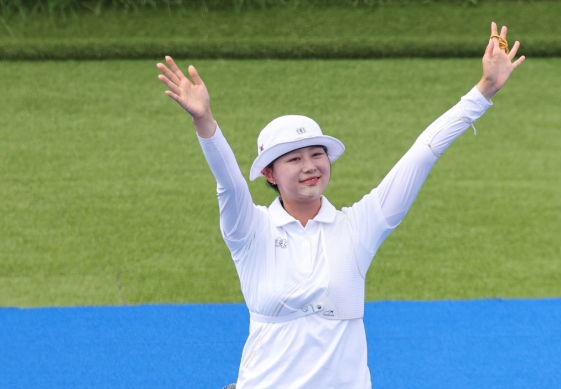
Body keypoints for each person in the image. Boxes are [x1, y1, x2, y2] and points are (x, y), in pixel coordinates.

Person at [157, 22, 524, 389]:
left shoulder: (359, 225)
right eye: (294, 159)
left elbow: (422, 153)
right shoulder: (249, 229)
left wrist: (484, 91)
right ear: (269, 173)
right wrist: (204, 120)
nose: (310, 166)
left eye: (317, 154)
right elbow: (230, 183)